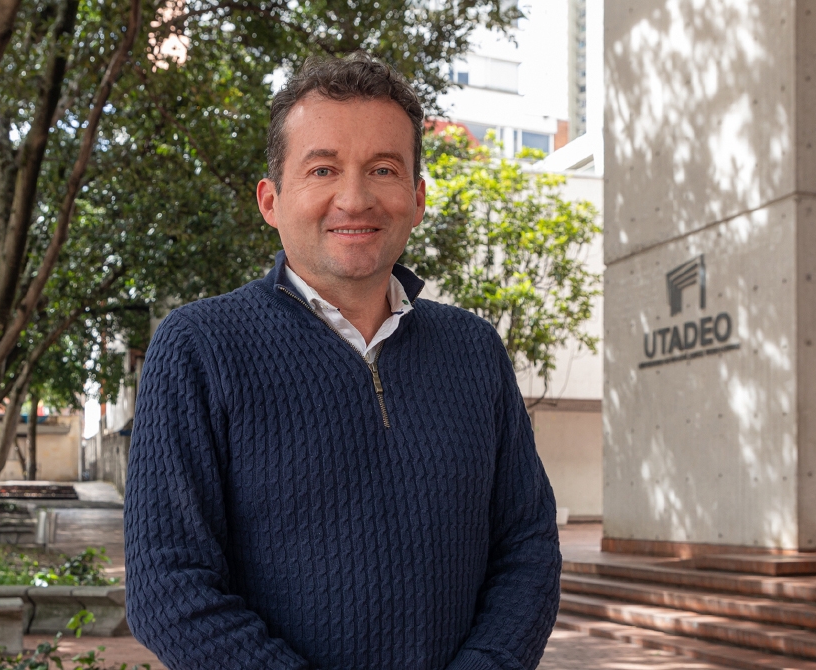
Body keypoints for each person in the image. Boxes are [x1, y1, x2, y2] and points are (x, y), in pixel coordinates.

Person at [124, 53, 561, 670]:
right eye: (322, 169)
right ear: (271, 200)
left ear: (417, 198)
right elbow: (167, 587)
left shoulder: (475, 350)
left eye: (383, 169)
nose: (354, 199)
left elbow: (528, 548)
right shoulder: (199, 348)